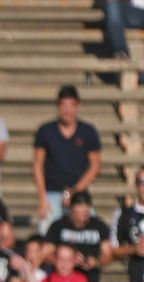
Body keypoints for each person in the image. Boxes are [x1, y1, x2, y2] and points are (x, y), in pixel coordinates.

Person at [32, 86, 101, 228]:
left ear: (78, 106)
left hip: (80, 195)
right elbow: (38, 164)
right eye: (64, 105)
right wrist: (42, 198)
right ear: (57, 106)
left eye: (72, 106)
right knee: (47, 232)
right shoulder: (46, 131)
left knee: (89, 233)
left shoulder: (88, 131)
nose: (67, 110)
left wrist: (74, 191)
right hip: (51, 194)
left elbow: (94, 166)